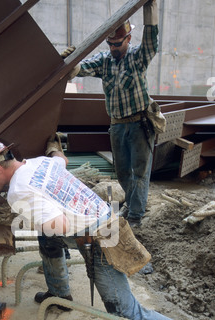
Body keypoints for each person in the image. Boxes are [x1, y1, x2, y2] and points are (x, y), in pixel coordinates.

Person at [0, 136, 215, 320]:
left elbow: (61, 225)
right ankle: (60, 294)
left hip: (100, 240)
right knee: (48, 238)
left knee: (128, 317)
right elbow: (59, 161)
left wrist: (23, 217)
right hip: (105, 221)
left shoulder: (17, 191)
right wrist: (55, 147)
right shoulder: (38, 163)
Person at [66, 0, 159, 227]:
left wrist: (150, 8)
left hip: (139, 124)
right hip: (117, 126)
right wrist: (70, 64)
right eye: (110, 44)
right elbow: (82, 68)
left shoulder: (138, 58)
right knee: (123, 173)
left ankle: (136, 216)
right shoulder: (104, 61)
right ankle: (132, 205)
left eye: (118, 44)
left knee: (139, 171)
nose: (113, 48)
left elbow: (151, 40)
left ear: (128, 39)